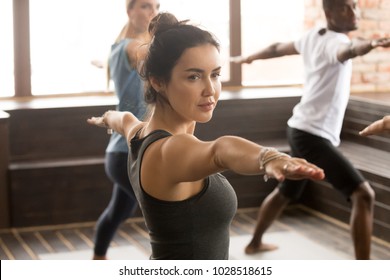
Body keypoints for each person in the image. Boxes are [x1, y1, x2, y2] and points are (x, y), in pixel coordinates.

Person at [87, 12, 325, 260]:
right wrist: (269, 157)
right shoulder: (169, 150)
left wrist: (104, 119)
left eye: (215, 74)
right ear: (157, 81)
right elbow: (220, 151)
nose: (210, 89)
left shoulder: (137, 133)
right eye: (194, 76)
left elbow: (121, 118)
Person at [231, 0, 390, 260]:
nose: (353, 13)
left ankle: (254, 243)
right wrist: (371, 44)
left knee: (288, 191)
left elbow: (276, 49)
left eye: (354, 7)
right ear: (329, 13)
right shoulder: (334, 42)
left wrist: (249, 57)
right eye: (345, 8)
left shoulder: (313, 36)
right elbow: (349, 50)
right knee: (363, 194)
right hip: (311, 135)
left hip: (300, 128)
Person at [92, 0, 160, 260]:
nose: (152, 11)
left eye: (156, 5)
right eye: (144, 6)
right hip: (128, 153)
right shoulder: (132, 47)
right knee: (163, 213)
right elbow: (162, 58)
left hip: (124, 152)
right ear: (129, 11)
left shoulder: (122, 47)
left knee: (117, 211)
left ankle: (98, 259)